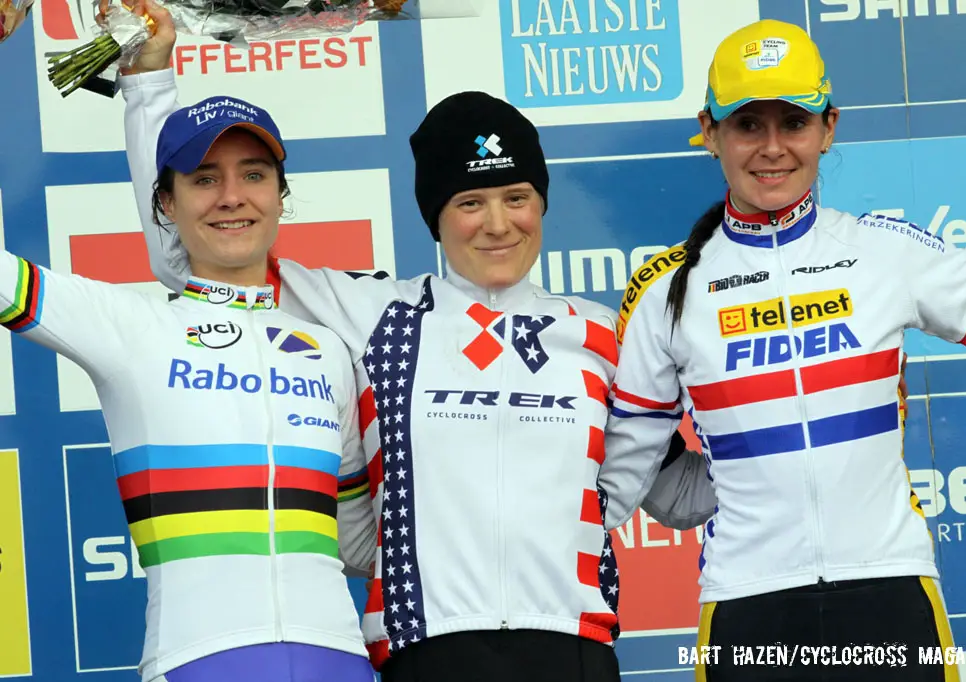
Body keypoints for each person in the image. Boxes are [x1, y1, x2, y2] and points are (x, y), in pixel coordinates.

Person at [115, 4, 720, 681]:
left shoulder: (606, 335)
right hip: (427, 654)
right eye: (469, 202)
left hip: (572, 651)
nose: (497, 224)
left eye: (516, 196)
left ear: (543, 203)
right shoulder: (373, 313)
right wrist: (148, 84)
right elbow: (190, 260)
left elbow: (681, 495)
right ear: (436, 216)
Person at [601, 18, 966, 682]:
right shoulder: (668, 292)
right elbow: (627, 469)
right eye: (748, 124)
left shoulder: (883, 251)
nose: (772, 148)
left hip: (889, 590)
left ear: (828, 128)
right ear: (710, 134)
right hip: (746, 607)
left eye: (793, 122)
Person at [2, 12, 378, 678]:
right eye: (204, 179)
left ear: (281, 196)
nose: (232, 197)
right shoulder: (131, 327)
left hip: (339, 661)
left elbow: (358, 543)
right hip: (199, 659)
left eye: (254, 175)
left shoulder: (328, 351)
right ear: (166, 206)